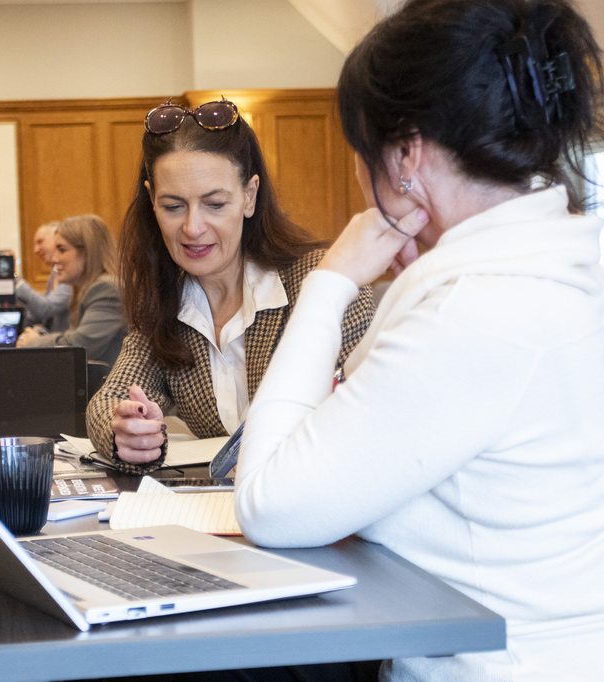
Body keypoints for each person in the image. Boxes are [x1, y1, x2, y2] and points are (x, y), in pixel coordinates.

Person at [234, 0, 604, 680]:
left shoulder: (476, 309)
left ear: (405, 153)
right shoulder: (558, 263)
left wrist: (329, 284)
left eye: (359, 151)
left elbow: (268, 504)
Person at [85, 98, 375, 473]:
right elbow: (111, 396)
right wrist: (124, 427)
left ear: (249, 196)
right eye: (173, 206)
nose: (193, 228)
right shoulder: (164, 299)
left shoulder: (322, 279)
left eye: (215, 204)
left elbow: (363, 407)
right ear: (152, 202)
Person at [16, 214, 127, 365]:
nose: (54, 259)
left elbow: (82, 345)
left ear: (87, 252)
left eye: (62, 250)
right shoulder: (87, 288)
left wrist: (35, 342)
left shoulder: (106, 289)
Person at [14, 221, 73, 332]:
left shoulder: (70, 274)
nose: (35, 250)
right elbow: (40, 317)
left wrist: (17, 282)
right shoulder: (54, 272)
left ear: (57, 239)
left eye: (40, 242)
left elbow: (46, 308)